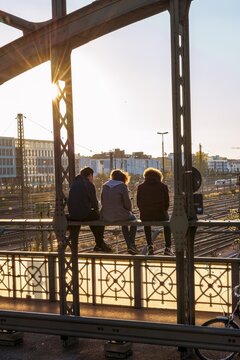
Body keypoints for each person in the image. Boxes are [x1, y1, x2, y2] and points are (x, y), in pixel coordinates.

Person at [68, 167, 112, 252]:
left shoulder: (74, 183)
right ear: (90, 175)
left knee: (93, 215)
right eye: (93, 176)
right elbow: (94, 203)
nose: (93, 178)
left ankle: (100, 243)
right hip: (82, 215)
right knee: (99, 216)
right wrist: (96, 210)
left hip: (72, 215)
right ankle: (99, 243)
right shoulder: (89, 184)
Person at [137, 167, 173, 256]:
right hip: (160, 215)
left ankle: (150, 246)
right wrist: (163, 211)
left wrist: (144, 211)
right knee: (167, 223)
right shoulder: (163, 186)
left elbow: (138, 203)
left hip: (146, 215)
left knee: (146, 224)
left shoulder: (140, 187)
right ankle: (168, 248)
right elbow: (167, 203)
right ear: (158, 176)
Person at [100, 169, 138, 255]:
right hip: (119, 215)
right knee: (134, 221)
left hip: (106, 215)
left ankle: (130, 246)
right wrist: (130, 210)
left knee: (125, 222)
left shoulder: (105, 185)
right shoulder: (122, 186)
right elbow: (127, 204)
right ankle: (131, 244)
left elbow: (102, 201)